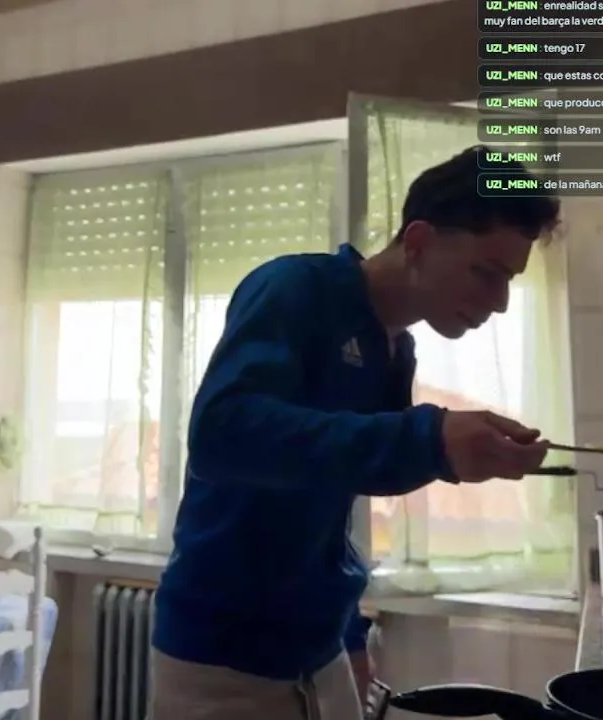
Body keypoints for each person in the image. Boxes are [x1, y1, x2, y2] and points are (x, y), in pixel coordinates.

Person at [148, 145, 562, 720]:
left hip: (320, 651)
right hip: (221, 656)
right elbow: (222, 434)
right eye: (486, 273)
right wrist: (429, 440)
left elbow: (326, 501)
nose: (500, 303)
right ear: (418, 242)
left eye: (510, 280)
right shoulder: (296, 288)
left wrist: (348, 634)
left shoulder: (396, 351)